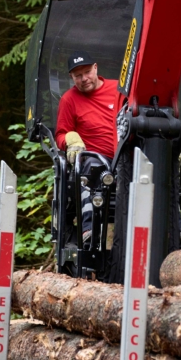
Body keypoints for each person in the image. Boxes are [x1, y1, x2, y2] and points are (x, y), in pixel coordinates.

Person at [54, 53, 125, 244]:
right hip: (96, 159)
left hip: (125, 155)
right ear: (71, 77)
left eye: (87, 72)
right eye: (78, 76)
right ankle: (89, 229)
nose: (84, 78)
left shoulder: (119, 89)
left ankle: (173, 228)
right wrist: (71, 138)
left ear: (95, 67)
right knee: (90, 165)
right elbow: (60, 134)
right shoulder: (69, 100)